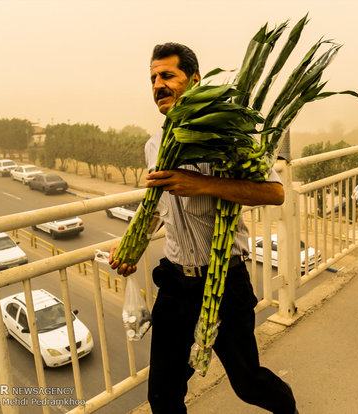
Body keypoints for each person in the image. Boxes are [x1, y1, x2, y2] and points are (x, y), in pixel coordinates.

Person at [109, 42, 298, 414]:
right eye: (153, 78)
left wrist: (203, 184)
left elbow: (275, 193)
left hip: (225, 282)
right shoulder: (154, 145)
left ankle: (287, 409)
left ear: (194, 81)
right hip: (176, 282)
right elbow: (159, 209)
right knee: (163, 394)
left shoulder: (226, 139)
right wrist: (130, 246)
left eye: (167, 76)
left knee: (247, 383)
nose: (158, 85)